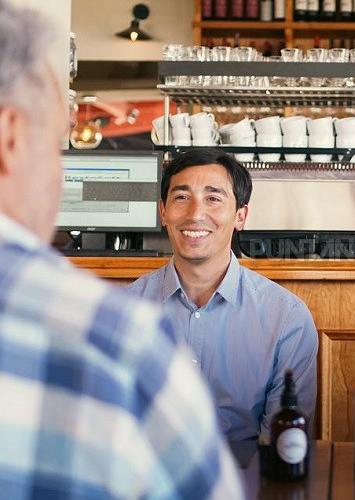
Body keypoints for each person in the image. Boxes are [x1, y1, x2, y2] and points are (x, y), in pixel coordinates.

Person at [0, 2, 242, 498]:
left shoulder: (285, 318)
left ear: (240, 215)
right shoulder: (117, 339)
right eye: (55, 148)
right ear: (11, 138)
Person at [128, 149, 318, 442]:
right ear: (163, 211)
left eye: (213, 198)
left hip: (249, 481)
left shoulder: (286, 319)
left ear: (240, 215)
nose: (195, 214)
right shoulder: (124, 310)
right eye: (181, 197)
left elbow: (281, 444)